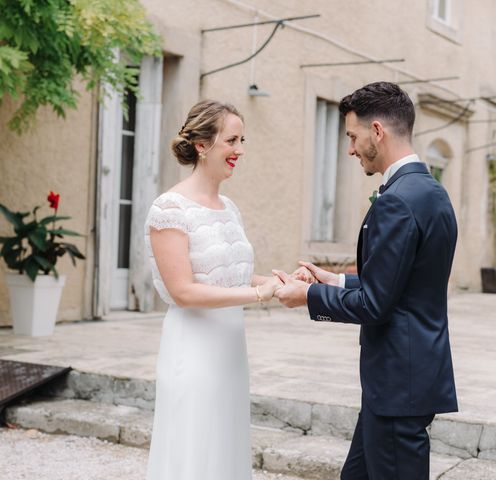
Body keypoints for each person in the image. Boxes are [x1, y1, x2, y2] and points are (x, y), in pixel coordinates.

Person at [275, 82, 458, 480]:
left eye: (352, 137)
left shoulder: (396, 200)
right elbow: (401, 286)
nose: (350, 149)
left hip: (397, 383)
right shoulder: (432, 192)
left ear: (377, 131)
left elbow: (376, 305)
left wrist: (307, 295)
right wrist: (335, 280)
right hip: (406, 378)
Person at [144, 100, 282, 479]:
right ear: (202, 145)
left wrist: (278, 283)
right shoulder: (169, 208)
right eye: (232, 140)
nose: (240, 150)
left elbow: (231, 277)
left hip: (230, 350)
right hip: (193, 348)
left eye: (243, 140)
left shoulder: (229, 207)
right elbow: (184, 290)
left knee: (225, 445)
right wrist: (258, 295)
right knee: (193, 447)